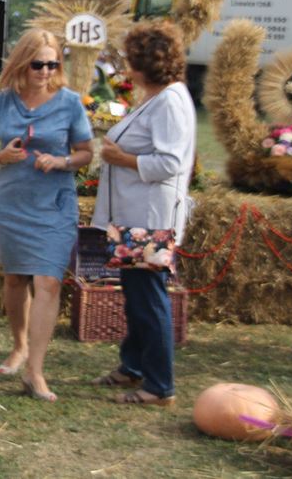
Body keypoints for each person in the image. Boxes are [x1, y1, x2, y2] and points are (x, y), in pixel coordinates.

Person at [0, 28, 93, 402]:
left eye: (52, 63)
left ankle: (35, 372)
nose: (45, 71)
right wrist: (0, 157)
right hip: (10, 202)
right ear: (23, 63)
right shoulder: (2, 99)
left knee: (48, 282)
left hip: (54, 203)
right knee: (14, 279)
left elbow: (86, 152)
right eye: (38, 63)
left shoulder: (71, 102)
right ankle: (19, 345)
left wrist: (61, 161)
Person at [90, 21, 195, 406]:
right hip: (134, 216)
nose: (125, 67)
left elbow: (170, 162)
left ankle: (159, 386)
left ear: (143, 64)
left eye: (130, 60)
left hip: (150, 220)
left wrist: (122, 158)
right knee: (136, 296)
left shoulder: (169, 101)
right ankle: (132, 366)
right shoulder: (158, 97)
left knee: (149, 298)